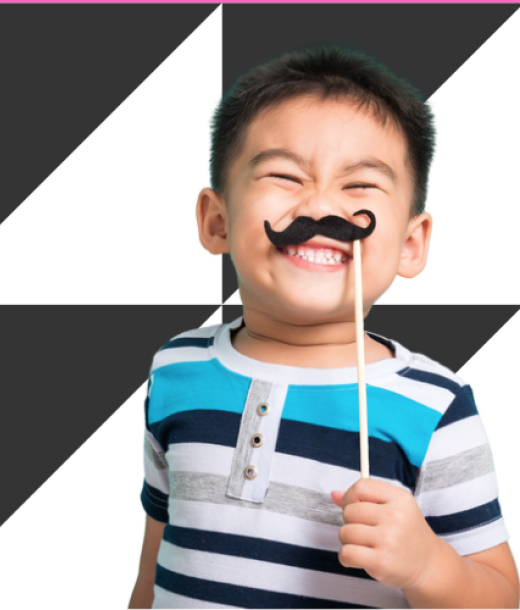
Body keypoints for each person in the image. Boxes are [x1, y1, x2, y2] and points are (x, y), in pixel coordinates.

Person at [128, 45, 520, 609]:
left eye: (360, 186)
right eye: (285, 175)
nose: (319, 207)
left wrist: (428, 565)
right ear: (217, 221)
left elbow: (499, 598)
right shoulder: (176, 370)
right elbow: (155, 561)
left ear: (411, 244)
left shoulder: (435, 408)